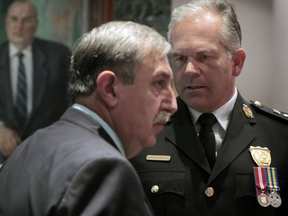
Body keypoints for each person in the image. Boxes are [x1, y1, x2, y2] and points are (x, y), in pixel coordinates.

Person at [0, 20, 177, 215]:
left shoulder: (26, 148)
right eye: (159, 83)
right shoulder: (103, 168)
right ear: (109, 89)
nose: (172, 105)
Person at [130, 0, 288, 215]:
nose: (189, 70)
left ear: (237, 62)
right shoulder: (140, 133)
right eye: (180, 58)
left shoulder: (280, 136)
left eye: (204, 56)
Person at [0, 1, 71, 163]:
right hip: (3, 156)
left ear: (36, 24)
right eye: (14, 19)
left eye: (26, 20)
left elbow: (73, 101)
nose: (19, 26)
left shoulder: (58, 56)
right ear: (6, 23)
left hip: (49, 153)